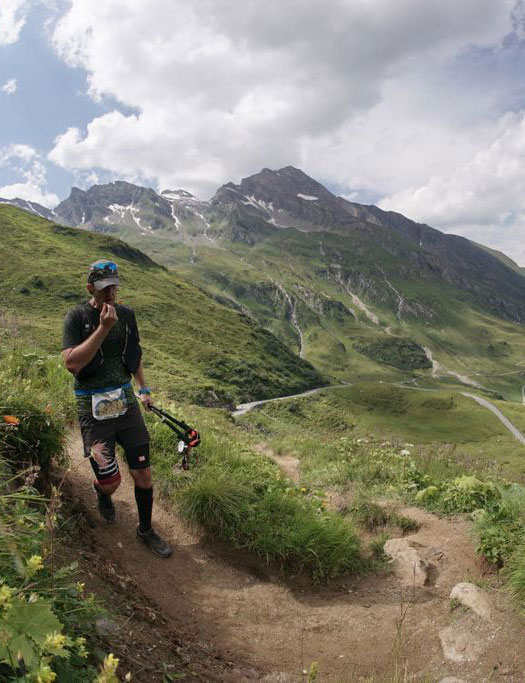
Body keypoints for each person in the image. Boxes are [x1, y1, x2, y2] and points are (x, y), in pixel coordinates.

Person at [61, 259, 172, 558]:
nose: (110, 293)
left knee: (144, 473)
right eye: (103, 289)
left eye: (114, 287)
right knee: (111, 482)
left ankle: (146, 530)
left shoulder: (127, 315)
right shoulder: (77, 317)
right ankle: (102, 493)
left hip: (125, 403)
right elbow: (72, 363)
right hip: (92, 406)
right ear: (90, 289)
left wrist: (144, 389)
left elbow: (133, 353)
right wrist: (102, 328)